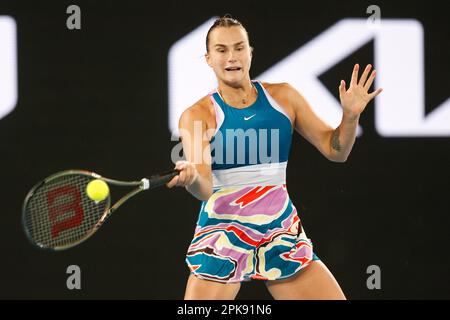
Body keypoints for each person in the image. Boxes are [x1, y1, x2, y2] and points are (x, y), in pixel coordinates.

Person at [166, 15, 382, 300]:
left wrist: (350, 117)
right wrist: (192, 177)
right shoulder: (197, 115)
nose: (232, 57)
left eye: (239, 47)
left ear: (250, 52)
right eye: (221, 50)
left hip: (279, 232)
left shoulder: (284, 98)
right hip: (222, 236)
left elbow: (336, 150)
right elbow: (204, 188)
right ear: (208, 59)